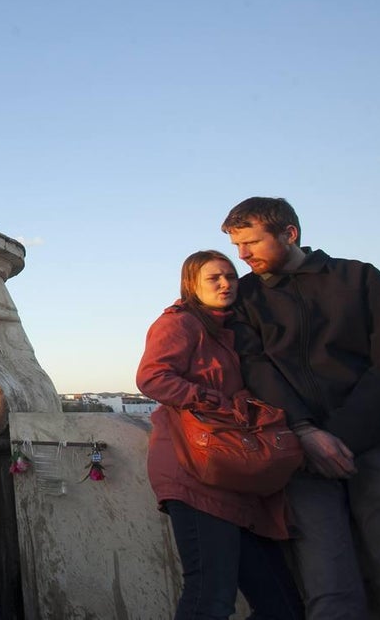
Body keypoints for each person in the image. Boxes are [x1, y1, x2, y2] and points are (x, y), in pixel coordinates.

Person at [222, 197, 380, 617]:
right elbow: (256, 368)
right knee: (328, 584)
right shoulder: (246, 300)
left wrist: (343, 437)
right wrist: (308, 432)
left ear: (290, 234)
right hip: (300, 453)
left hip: (374, 444)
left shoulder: (360, 278)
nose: (243, 256)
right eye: (238, 246)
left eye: (252, 242)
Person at [137, 250, 302, 620]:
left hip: (231, 470)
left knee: (281, 604)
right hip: (192, 469)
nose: (227, 283)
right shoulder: (180, 323)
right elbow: (152, 377)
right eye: (214, 278)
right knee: (210, 597)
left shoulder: (225, 327)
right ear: (191, 285)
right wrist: (217, 402)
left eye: (230, 276)